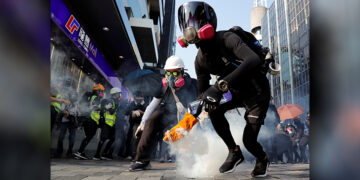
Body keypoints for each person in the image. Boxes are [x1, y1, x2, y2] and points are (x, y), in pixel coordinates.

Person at [178, 1, 272, 177]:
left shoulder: (227, 38)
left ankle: (262, 159)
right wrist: (190, 118)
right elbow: (202, 93)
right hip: (235, 93)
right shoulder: (199, 61)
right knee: (213, 109)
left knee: (249, 141)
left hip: (257, 93)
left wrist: (220, 86)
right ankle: (234, 151)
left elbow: (253, 60)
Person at [129, 56, 198, 171]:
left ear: (182, 72)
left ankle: (196, 161)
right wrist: (143, 122)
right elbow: (153, 105)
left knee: (194, 134)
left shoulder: (192, 85)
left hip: (187, 115)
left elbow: (196, 108)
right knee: (151, 121)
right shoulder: (163, 87)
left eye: (175, 73)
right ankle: (142, 160)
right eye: (168, 73)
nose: (171, 77)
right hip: (167, 112)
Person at [74, 84, 105, 160]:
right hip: (92, 120)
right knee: (89, 136)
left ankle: (81, 152)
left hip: (86, 118)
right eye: (101, 91)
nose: (102, 93)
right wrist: (102, 109)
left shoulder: (89, 96)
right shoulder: (96, 97)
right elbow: (95, 107)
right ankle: (79, 152)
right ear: (97, 91)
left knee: (87, 136)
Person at [92, 87, 122, 160]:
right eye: (118, 93)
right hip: (106, 123)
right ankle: (97, 155)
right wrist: (109, 107)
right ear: (115, 94)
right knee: (103, 139)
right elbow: (111, 112)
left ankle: (105, 154)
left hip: (112, 123)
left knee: (112, 138)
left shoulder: (116, 101)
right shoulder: (111, 101)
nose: (119, 95)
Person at [55, 91, 79, 158]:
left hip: (72, 123)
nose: (73, 97)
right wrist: (65, 112)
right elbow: (62, 110)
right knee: (61, 137)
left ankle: (69, 152)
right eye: (72, 95)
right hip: (64, 122)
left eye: (75, 95)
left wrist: (73, 117)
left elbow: (77, 113)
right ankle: (59, 152)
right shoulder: (66, 102)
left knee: (72, 138)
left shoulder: (77, 104)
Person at [124, 95, 148, 160]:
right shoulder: (132, 103)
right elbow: (126, 112)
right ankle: (128, 154)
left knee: (138, 139)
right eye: (137, 97)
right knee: (129, 139)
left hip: (141, 125)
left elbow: (149, 113)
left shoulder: (146, 104)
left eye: (140, 97)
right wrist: (133, 112)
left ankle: (137, 154)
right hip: (132, 124)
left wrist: (141, 112)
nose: (138, 98)